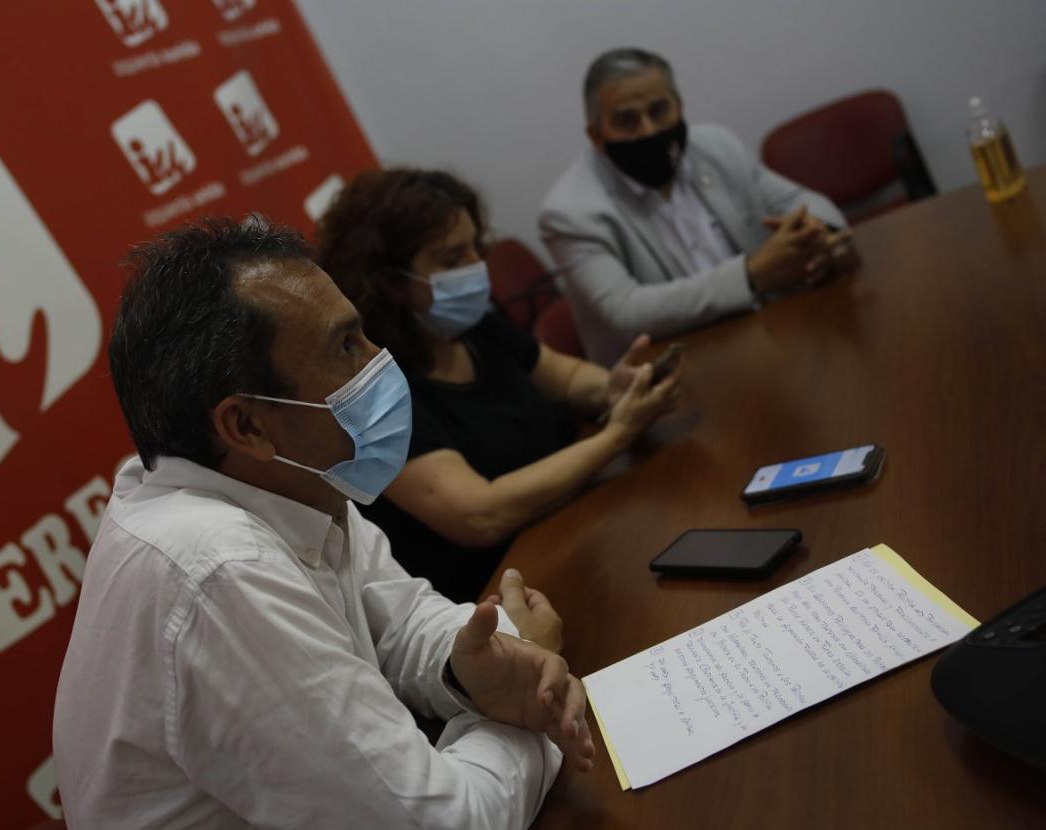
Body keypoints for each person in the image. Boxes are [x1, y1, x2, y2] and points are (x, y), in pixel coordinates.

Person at [52, 216, 595, 829]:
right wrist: (524, 708)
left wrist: (474, 665)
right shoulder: (221, 572)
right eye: (346, 348)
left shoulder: (288, 479)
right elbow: (449, 824)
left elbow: (396, 615)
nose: (380, 363)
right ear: (248, 426)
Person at [318, 169, 680, 603]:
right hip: (503, 597)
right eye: (452, 259)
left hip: (576, 531)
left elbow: (564, 378)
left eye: (477, 246)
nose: (477, 267)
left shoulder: (471, 328)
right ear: (392, 283)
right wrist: (617, 435)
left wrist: (613, 388)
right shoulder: (375, 394)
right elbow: (479, 515)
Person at [538, 47, 858, 365]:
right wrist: (751, 276)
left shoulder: (716, 145)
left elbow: (796, 200)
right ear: (595, 135)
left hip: (774, 335)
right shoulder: (569, 212)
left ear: (679, 107)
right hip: (675, 373)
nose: (648, 130)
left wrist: (819, 234)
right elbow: (627, 313)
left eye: (659, 111)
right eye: (627, 120)